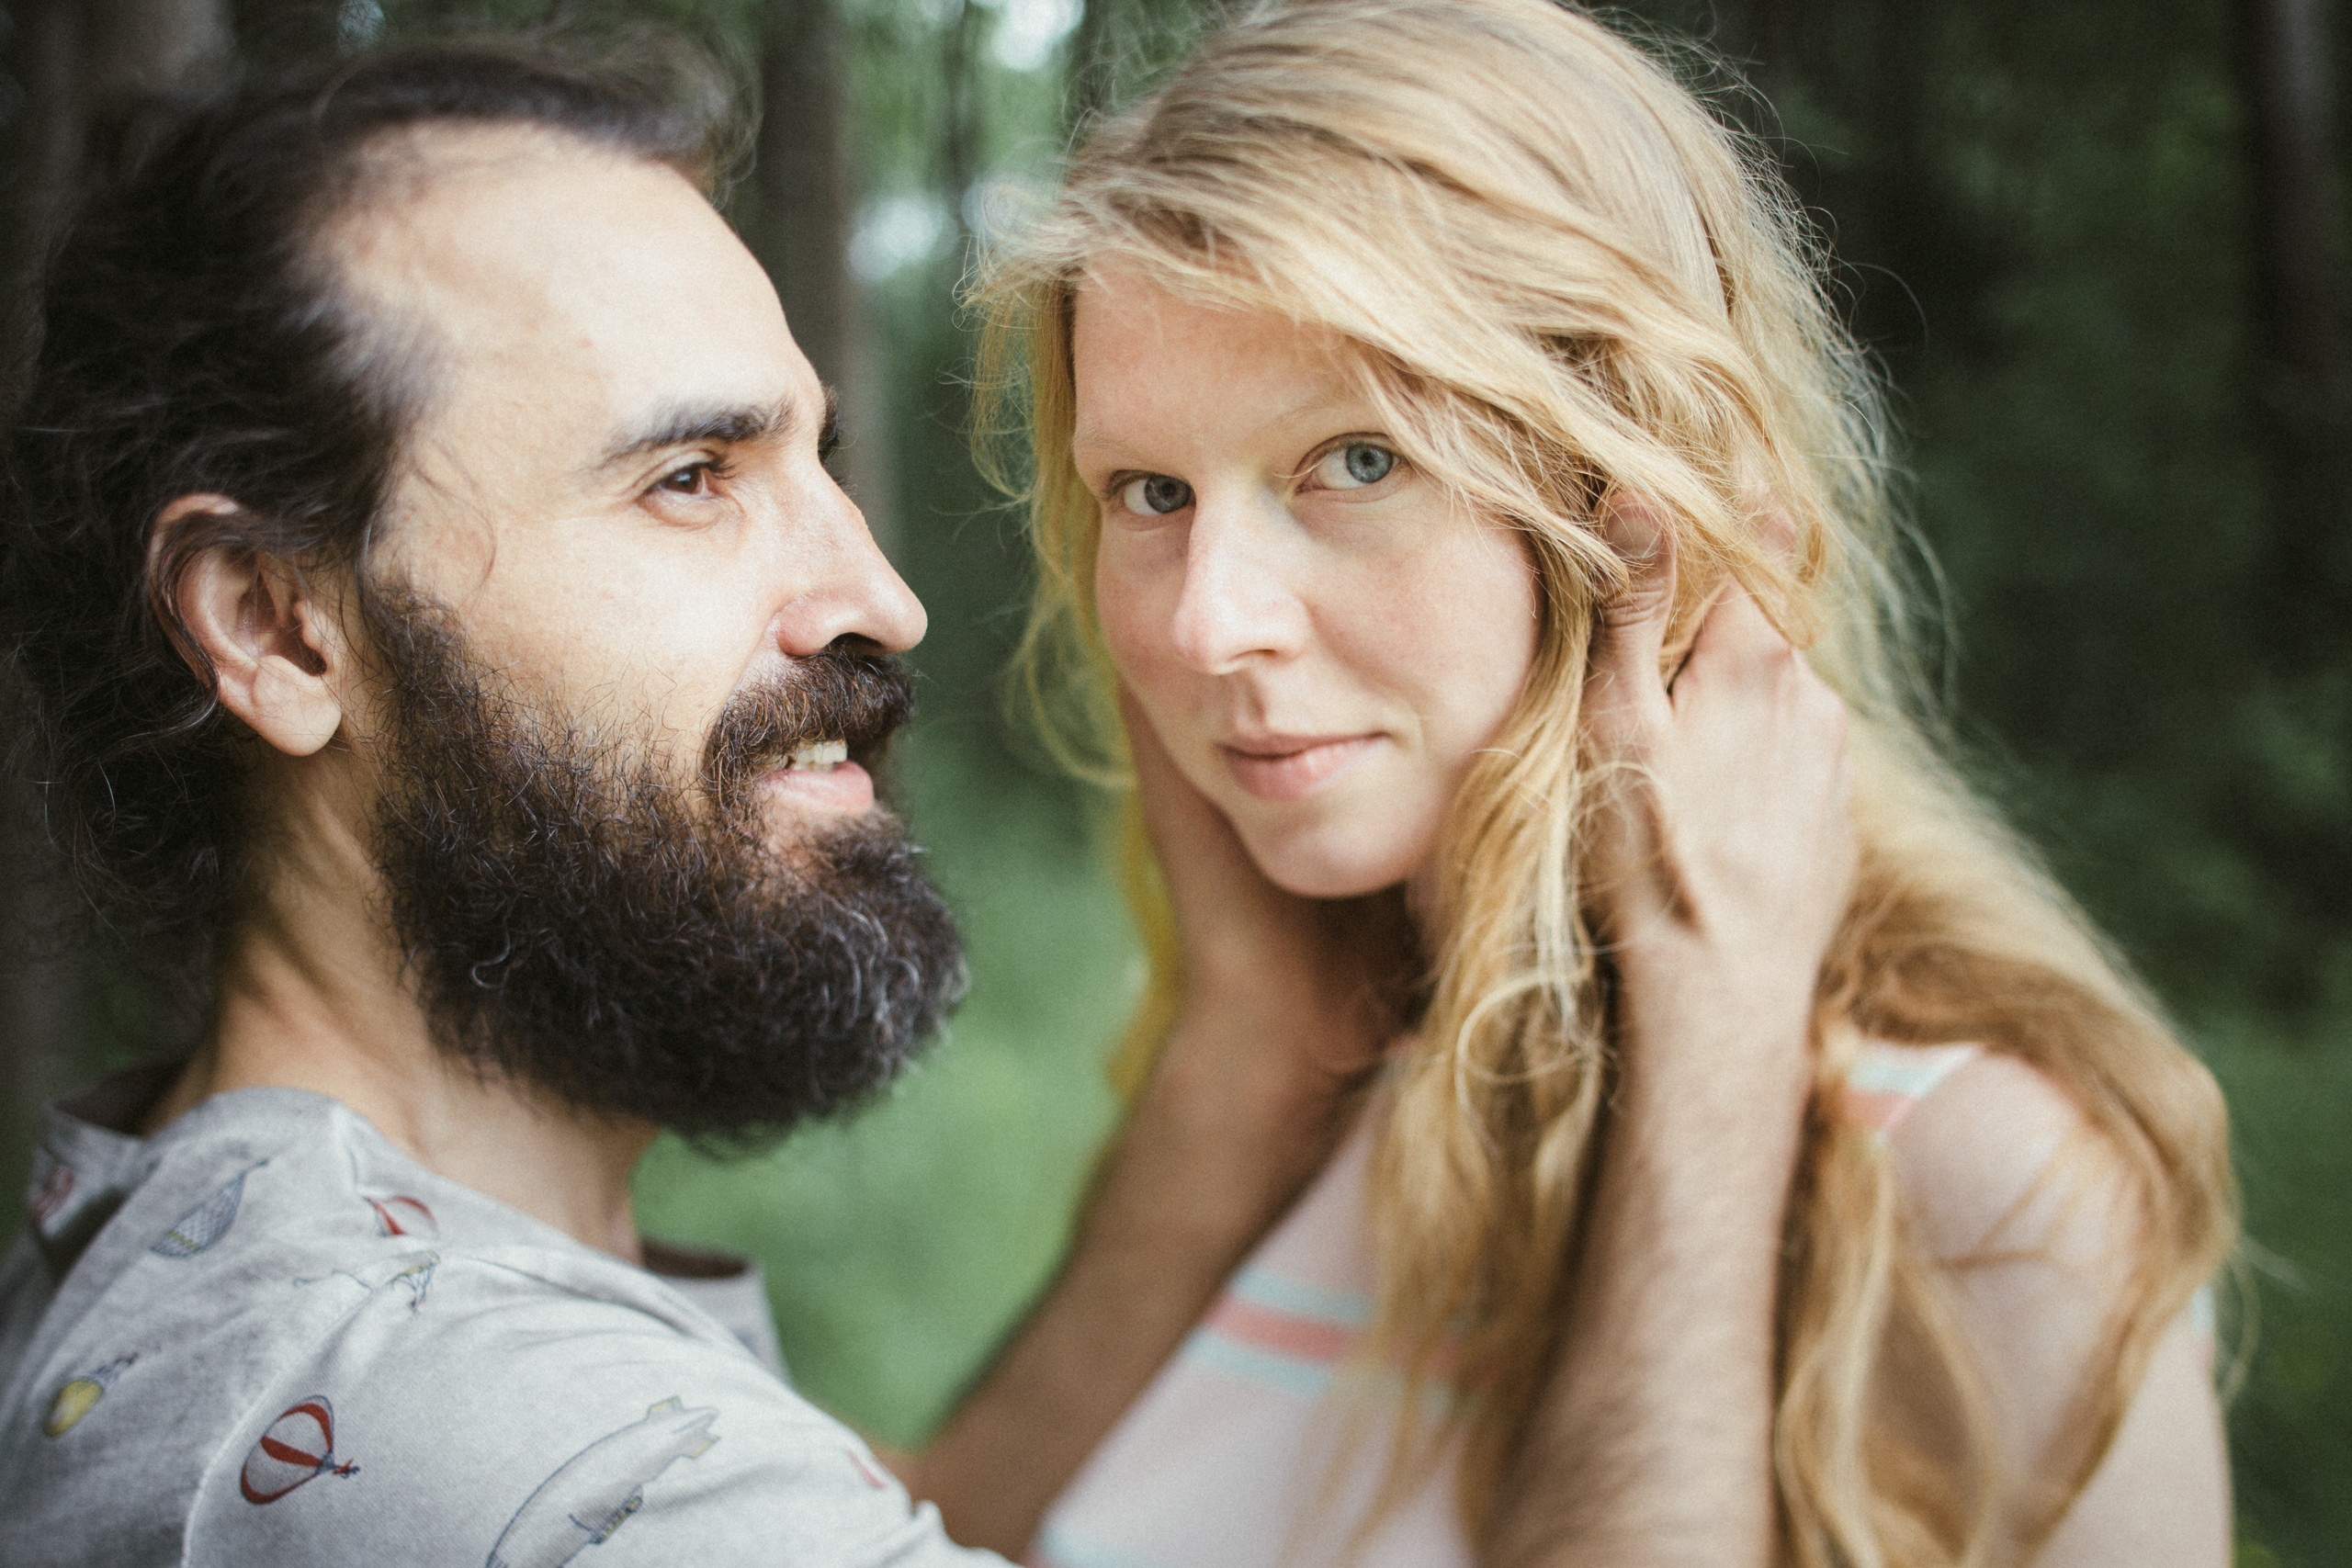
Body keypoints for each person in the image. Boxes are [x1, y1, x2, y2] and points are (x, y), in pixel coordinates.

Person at [0, 28, 1849, 1568]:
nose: (874, 594)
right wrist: (1716, 1015)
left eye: (809, 452)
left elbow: (876, 1521)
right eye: (689, 479)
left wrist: (1235, 1070)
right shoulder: (468, 1437)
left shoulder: (224, 1276)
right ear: (273, 622)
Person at [903, 3, 2239, 1565]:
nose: (1205, 624)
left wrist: (1714, 1038)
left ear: (1635, 489)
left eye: (1354, 460)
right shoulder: (1317, 1090)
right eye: (1151, 492)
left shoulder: (1981, 1185)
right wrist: (1243, 1062)